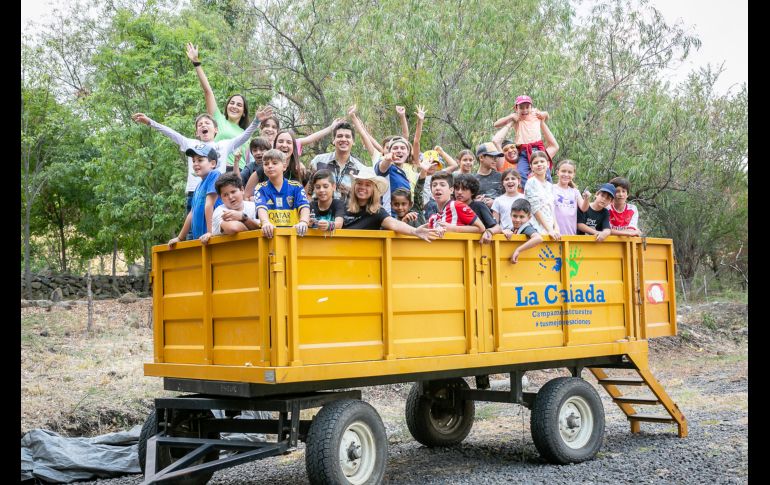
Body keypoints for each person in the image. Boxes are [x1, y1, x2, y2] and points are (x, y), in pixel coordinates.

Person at [131, 108, 271, 217]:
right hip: (195, 193)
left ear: (215, 130)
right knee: (193, 230)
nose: (203, 125)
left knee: (215, 229)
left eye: (207, 123)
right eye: (200, 124)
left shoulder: (223, 145)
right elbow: (170, 132)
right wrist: (150, 122)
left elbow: (244, 136)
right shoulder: (190, 144)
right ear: (197, 132)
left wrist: (256, 122)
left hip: (216, 193)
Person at [186, 43, 251, 172]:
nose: (234, 106)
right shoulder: (218, 119)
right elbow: (208, 91)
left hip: (240, 174)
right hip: (219, 170)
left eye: (239, 105)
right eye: (232, 103)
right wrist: (196, 63)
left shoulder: (246, 134)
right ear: (227, 106)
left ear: (244, 112)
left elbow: (250, 159)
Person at [342, 167, 439, 242]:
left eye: (367, 185)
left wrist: (415, 231)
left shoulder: (377, 211)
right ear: (354, 186)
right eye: (359, 183)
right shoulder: (342, 206)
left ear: (373, 190)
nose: (362, 187)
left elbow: (394, 223)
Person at [492, 95, 556, 186]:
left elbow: (546, 115)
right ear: (516, 108)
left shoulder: (535, 113)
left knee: (544, 169)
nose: (525, 110)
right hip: (523, 151)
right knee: (521, 173)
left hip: (537, 148)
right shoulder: (516, 118)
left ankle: (548, 189)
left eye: (527, 107)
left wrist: (544, 114)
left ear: (531, 107)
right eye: (521, 107)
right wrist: (510, 117)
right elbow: (496, 124)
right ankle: (528, 189)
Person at [167, 144, 223, 246]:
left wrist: (210, 232)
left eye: (200, 160)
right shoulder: (198, 187)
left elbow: (209, 204)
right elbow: (191, 213)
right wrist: (180, 237)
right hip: (201, 240)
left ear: (213, 163)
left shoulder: (214, 175)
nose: (195, 163)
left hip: (214, 238)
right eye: (193, 161)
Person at [307, 119, 367, 204]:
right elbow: (307, 191)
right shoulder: (318, 161)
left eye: (347, 136)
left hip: (347, 215)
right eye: (339, 136)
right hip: (319, 213)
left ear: (353, 141)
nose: (343, 139)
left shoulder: (359, 168)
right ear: (333, 140)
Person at [254, 149, 311, 238]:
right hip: (270, 236)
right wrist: (265, 222)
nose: (270, 166)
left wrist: (303, 222)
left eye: (274, 163)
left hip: (294, 236)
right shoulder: (260, 188)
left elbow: (304, 206)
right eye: (266, 164)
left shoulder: (297, 187)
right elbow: (261, 208)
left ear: (284, 166)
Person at [452, 173, 501, 243]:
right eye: (457, 189)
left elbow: (497, 227)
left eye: (464, 189)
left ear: (472, 191)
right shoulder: (451, 206)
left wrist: (489, 232)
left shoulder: (479, 206)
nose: (459, 192)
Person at [524, 151, 560, 239]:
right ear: (531, 167)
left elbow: (551, 208)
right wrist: (549, 230)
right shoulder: (531, 182)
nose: (539, 164)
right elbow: (535, 209)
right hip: (536, 228)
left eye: (542, 161)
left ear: (547, 164)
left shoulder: (549, 185)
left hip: (550, 229)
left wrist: (556, 227)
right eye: (535, 163)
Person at [552, 160, 591, 236]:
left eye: (570, 172)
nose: (566, 174)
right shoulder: (551, 188)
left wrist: (586, 198)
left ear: (573, 174)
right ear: (557, 172)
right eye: (563, 171)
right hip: (554, 234)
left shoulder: (575, 192)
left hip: (571, 235)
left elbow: (584, 208)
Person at [506, 198, 544, 263]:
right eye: (515, 216)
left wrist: (518, 250)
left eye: (521, 217)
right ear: (510, 215)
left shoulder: (526, 227)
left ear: (529, 217)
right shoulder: (511, 228)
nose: (517, 220)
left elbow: (538, 238)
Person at [474, 142, 504, 207]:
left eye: (496, 157)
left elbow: (508, 198)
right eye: (492, 157)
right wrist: (475, 202)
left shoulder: (501, 177)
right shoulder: (472, 180)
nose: (496, 160)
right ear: (481, 157)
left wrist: (495, 203)